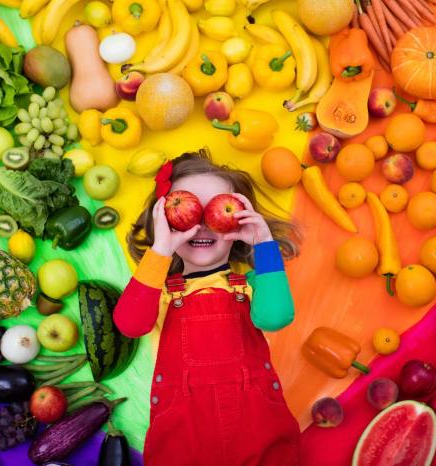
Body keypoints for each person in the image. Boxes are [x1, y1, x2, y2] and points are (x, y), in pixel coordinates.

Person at [113, 149, 301, 466]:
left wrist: (263, 244)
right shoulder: (157, 293)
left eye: (216, 210)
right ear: (163, 219)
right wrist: (160, 249)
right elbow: (130, 323)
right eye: (187, 210)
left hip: (261, 437)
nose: (201, 225)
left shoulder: (253, 284)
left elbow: (275, 316)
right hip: (182, 443)